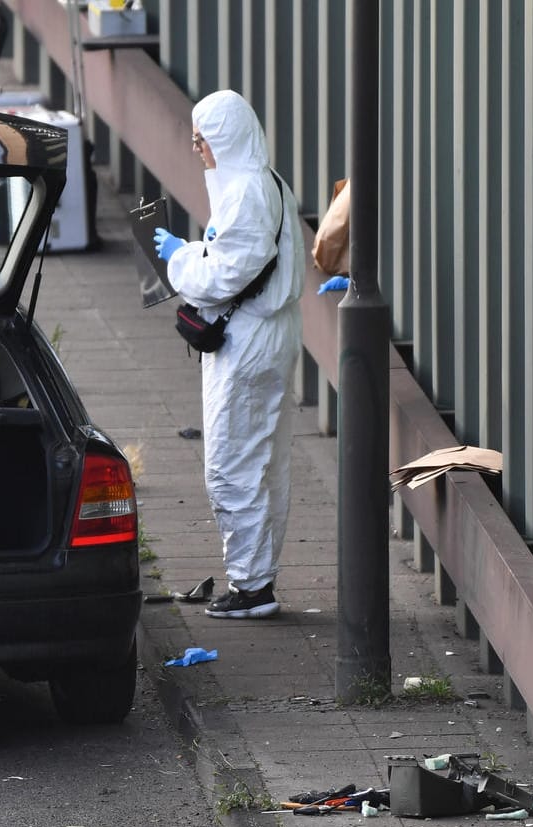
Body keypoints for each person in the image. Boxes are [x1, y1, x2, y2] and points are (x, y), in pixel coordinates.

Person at [151, 89, 305, 619]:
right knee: (263, 463)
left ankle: (252, 587)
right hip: (271, 333)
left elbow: (221, 276)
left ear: (228, 138)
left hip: (249, 343)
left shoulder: (243, 194)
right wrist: (193, 250)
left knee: (230, 466)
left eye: (204, 139)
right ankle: (256, 577)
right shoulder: (269, 185)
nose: (198, 148)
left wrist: (178, 258)